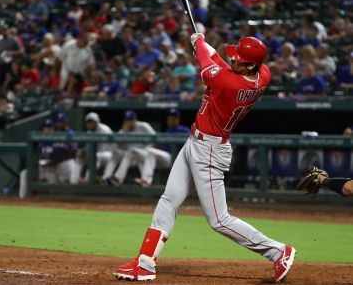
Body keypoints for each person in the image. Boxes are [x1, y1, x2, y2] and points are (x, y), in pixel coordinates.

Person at [113, 35, 295, 282]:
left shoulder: (228, 83)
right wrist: (208, 47)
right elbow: (220, 63)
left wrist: (199, 42)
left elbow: (208, 64)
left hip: (209, 149)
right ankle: (145, 262)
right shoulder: (263, 74)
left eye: (239, 59)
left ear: (250, 65)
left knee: (219, 220)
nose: (233, 60)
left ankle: (277, 251)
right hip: (196, 142)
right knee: (169, 198)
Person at [134, 109, 190, 187]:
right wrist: (157, 146)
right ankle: (145, 181)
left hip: (175, 158)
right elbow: (162, 148)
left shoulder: (184, 130)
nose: (171, 120)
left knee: (150, 151)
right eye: (169, 118)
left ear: (178, 119)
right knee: (146, 153)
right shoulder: (167, 131)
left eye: (173, 118)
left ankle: (146, 180)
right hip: (165, 159)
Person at [105, 110, 156, 186]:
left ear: (135, 119)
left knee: (132, 151)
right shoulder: (123, 131)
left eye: (131, 120)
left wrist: (149, 150)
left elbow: (156, 139)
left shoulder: (144, 126)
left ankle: (118, 179)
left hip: (144, 154)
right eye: (127, 120)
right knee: (116, 153)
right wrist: (124, 133)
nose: (129, 122)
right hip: (129, 158)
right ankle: (105, 178)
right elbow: (117, 146)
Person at [70, 112, 113, 185]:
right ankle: (74, 181)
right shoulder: (90, 131)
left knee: (95, 156)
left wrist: (87, 152)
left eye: (91, 122)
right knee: (80, 157)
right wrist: (83, 151)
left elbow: (103, 148)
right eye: (88, 122)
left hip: (109, 154)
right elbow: (89, 147)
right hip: (97, 154)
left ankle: (87, 181)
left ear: (96, 122)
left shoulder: (104, 130)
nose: (89, 124)